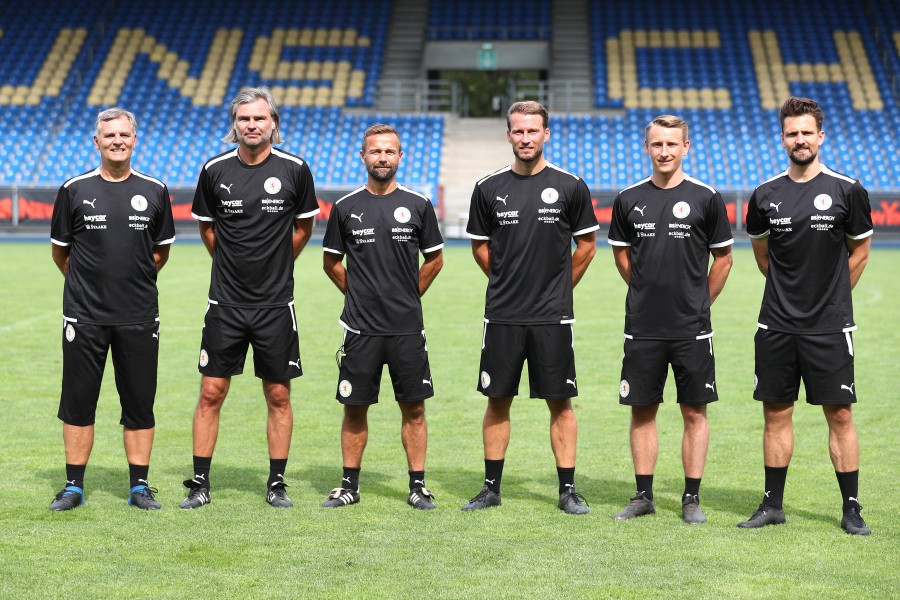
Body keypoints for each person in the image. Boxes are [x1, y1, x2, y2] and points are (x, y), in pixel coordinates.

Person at [738, 97, 873, 535]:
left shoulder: (847, 190)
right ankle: (772, 504)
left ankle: (851, 508)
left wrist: (828, 299)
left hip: (830, 327)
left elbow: (860, 252)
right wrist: (791, 296)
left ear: (821, 136)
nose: (800, 140)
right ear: (783, 138)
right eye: (792, 133)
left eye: (806, 133)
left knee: (840, 415)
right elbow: (763, 257)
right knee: (776, 414)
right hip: (776, 325)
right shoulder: (764, 195)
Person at [181, 86, 319, 509]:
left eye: (260, 119)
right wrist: (234, 266)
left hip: (276, 305)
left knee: (278, 394)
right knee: (211, 392)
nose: (252, 125)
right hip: (225, 303)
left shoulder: (296, 170)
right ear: (234, 125)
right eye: (244, 119)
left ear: (273, 123)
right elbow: (208, 229)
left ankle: (276, 484)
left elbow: (303, 228)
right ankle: (200, 482)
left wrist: (275, 264)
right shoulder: (214, 170)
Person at [461, 101, 599, 514]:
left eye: (533, 131)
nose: (525, 138)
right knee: (497, 399)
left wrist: (557, 287)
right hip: (502, 313)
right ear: (508, 135)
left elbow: (587, 246)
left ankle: (568, 490)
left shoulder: (571, 186)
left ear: (546, 134)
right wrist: (505, 280)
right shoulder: (488, 188)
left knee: (560, 401)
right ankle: (490, 488)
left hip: (553, 316)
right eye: (518, 131)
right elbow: (479, 246)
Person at [607, 115, 733, 524]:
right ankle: (643, 495)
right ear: (647, 148)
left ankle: (691, 497)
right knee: (642, 410)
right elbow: (622, 255)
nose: (664, 152)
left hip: (691, 327)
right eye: (657, 144)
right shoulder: (628, 199)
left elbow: (724, 258)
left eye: (672, 145)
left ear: (685, 148)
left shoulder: (706, 197)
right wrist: (643, 289)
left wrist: (700, 302)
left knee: (694, 411)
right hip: (642, 325)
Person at [49, 107, 175, 511]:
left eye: (124, 135)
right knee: (79, 401)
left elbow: (160, 252)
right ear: (97, 141)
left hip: (139, 316)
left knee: (139, 401)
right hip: (84, 317)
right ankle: (73, 486)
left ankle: (139, 486)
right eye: (110, 135)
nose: (117, 141)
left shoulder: (155, 190)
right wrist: (92, 288)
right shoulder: (74, 189)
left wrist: (130, 283)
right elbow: (61, 254)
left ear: (134, 140)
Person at [320, 124, 444, 510]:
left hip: (406, 327)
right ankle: (349, 485)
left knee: (415, 407)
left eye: (390, 152)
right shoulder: (345, 207)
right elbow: (331, 262)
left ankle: (417, 485)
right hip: (360, 329)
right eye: (375, 152)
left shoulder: (419, 205)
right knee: (354, 406)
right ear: (363, 157)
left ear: (400, 157)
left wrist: (408, 294)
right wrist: (357, 294)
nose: (382, 158)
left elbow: (435, 259)